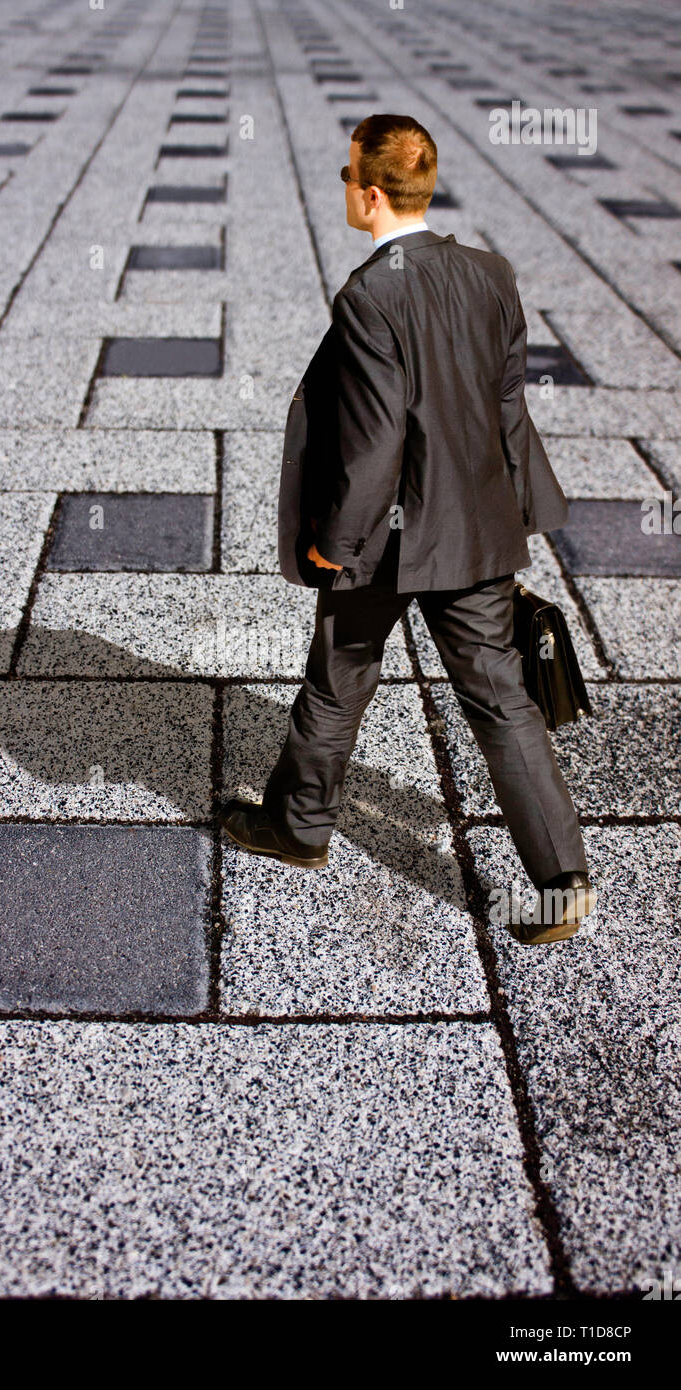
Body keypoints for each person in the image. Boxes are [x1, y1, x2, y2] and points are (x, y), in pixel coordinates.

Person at [222, 113, 595, 947]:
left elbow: (375, 439)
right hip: (475, 532)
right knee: (501, 700)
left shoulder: (370, 293)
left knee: (339, 678)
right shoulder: (490, 272)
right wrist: (519, 513)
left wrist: (336, 544)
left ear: (373, 192)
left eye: (346, 172)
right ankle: (562, 882)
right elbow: (507, 406)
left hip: (389, 538)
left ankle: (300, 827)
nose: (343, 186)